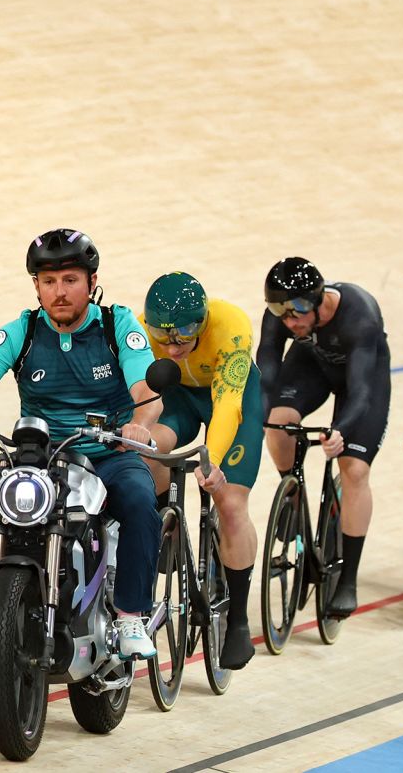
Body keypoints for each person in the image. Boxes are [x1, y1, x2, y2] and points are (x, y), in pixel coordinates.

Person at [0, 229, 162, 659]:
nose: (60, 292)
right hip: (41, 460)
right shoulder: (22, 331)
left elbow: (146, 391)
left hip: (107, 454)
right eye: (48, 282)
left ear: (92, 282)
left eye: (70, 280)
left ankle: (130, 616)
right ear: (36, 286)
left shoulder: (118, 325)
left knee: (139, 501)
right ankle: (8, 608)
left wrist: (139, 424)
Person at [141, 272, 263, 670]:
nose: (172, 348)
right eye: (164, 338)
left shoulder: (231, 327)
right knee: (145, 452)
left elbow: (227, 406)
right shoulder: (143, 329)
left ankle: (240, 621)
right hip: (179, 399)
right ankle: (166, 527)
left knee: (228, 503)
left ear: (203, 322)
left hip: (229, 400)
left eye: (182, 338)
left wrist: (214, 459)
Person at [258, 257, 391, 618]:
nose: (290, 322)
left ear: (318, 300)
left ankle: (348, 579)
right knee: (277, 421)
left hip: (362, 377)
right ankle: (293, 494)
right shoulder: (285, 315)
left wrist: (341, 429)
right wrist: (257, 416)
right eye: (281, 314)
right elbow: (268, 369)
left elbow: (361, 392)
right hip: (313, 364)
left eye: (298, 312)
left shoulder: (359, 315)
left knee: (354, 470)